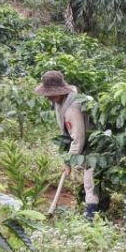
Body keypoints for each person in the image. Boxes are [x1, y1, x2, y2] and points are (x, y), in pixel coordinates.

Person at [34, 70, 98, 220]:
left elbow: (78, 138)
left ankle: (91, 217)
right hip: (85, 144)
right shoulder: (61, 100)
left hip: (94, 146)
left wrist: (68, 162)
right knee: (90, 180)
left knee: (90, 181)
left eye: (52, 94)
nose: (49, 98)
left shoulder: (72, 108)